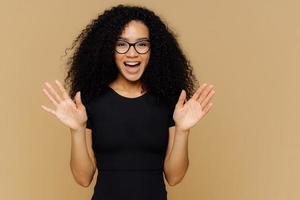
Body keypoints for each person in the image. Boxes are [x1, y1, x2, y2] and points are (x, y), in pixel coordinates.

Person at [41, 4, 215, 200]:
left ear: (153, 49)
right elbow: (83, 178)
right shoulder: (90, 100)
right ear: (109, 48)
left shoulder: (169, 101)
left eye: (141, 44)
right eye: (122, 44)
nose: (132, 53)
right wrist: (77, 129)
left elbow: (174, 177)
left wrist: (183, 130)